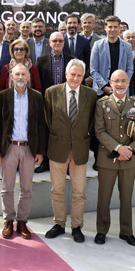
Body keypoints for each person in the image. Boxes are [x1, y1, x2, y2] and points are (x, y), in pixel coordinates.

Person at [43, 59, 97, 243]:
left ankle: (76, 226)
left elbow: (90, 120)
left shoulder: (91, 95)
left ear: (84, 77)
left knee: (79, 191)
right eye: (72, 74)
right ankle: (59, 223)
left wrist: (78, 136)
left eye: (79, 75)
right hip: (58, 148)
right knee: (57, 190)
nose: (75, 78)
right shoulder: (51, 92)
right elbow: (48, 119)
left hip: (80, 149)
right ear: (66, 74)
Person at [93, 69, 135, 246]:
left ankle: (126, 231)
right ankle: (101, 230)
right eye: (116, 81)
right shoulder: (102, 104)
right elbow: (99, 131)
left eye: (123, 81)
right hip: (107, 158)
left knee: (126, 197)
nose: (120, 84)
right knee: (104, 196)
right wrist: (118, 148)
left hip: (129, 159)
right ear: (110, 83)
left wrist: (130, 150)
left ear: (128, 83)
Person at [0, 63, 46, 240]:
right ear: (11, 77)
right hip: (9, 148)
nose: (21, 77)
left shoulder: (37, 97)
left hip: (29, 149)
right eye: (17, 75)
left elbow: (40, 125)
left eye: (24, 74)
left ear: (29, 77)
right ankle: (8, 220)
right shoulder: (3, 96)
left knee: (26, 188)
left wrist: (40, 151)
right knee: (7, 187)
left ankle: (22, 221)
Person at [35, 32, 74, 173]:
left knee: (65, 133)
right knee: (46, 131)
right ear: (49, 43)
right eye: (54, 40)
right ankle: (45, 162)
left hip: (67, 102)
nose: (57, 43)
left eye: (60, 40)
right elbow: (38, 83)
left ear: (64, 43)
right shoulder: (41, 60)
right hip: (47, 102)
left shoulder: (71, 60)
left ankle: (67, 162)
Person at [91, 15, 135, 98]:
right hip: (101, 91)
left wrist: (121, 85)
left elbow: (130, 69)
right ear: (105, 27)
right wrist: (104, 87)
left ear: (119, 28)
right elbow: (93, 70)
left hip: (122, 90)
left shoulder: (127, 46)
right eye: (110, 27)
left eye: (115, 27)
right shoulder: (97, 45)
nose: (112, 29)